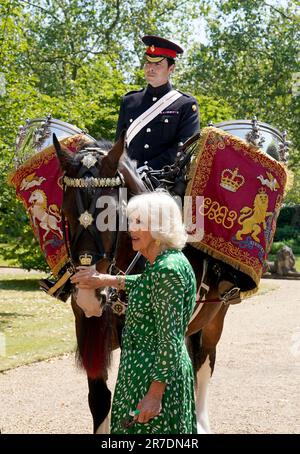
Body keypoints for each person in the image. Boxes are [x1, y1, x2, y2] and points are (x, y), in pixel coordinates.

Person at [71, 192, 197, 434]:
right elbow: (147, 283)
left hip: (152, 379)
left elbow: (170, 341)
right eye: (131, 221)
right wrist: (104, 279)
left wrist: (154, 395)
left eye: (140, 222)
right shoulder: (167, 263)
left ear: (160, 227)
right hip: (145, 374)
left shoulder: (167, 271)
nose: (131, 229)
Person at [115, 35, 200, 170]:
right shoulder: (129, 101)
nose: (150, 68)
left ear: (171, 68)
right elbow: (119, 145)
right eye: (148, 63)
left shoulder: (185, 104)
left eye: (157, 64)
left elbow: (184, 148)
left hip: (165, 181)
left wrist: (147, 169)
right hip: (129, 179)